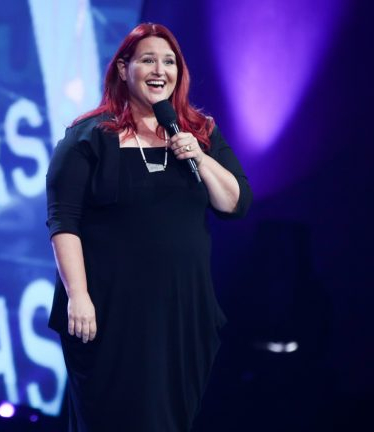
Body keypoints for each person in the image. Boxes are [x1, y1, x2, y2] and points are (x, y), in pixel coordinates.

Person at [45, 23, 252, 431]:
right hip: (110, 313)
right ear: (124, 69)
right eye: (148, 60)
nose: (160, 70)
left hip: (182, 314)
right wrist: (78, 295)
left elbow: (236, 203)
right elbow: (63, 221)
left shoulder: (200, 133)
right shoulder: (88, 137)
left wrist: (200, 156)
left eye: (169, 62)